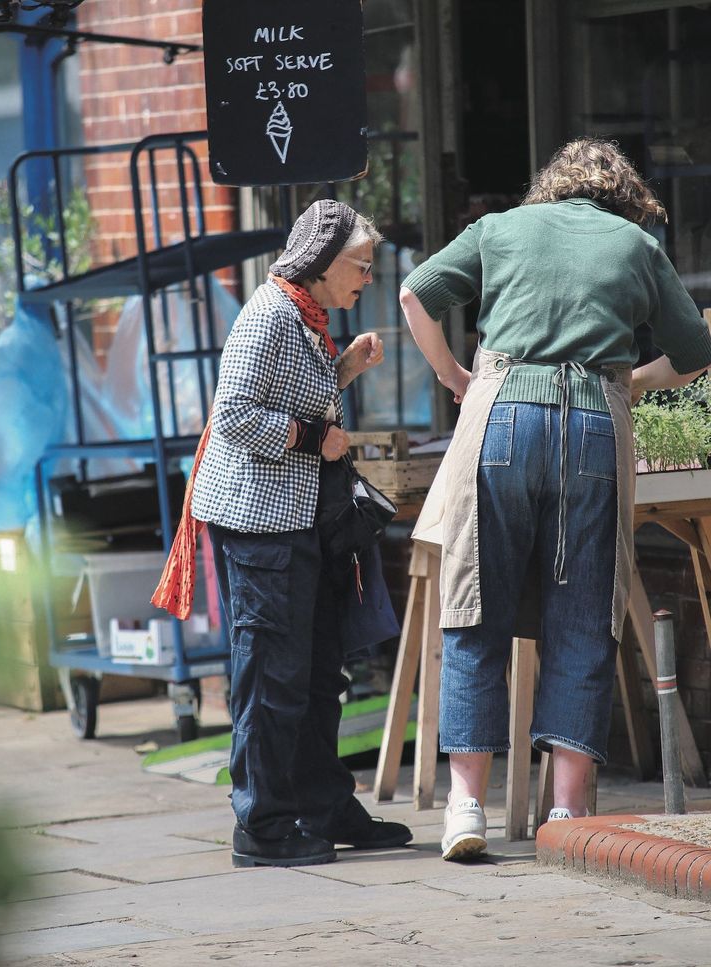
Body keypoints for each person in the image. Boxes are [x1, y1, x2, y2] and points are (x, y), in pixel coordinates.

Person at [399, 139, 711, 862]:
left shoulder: (502, 228)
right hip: (596, 427)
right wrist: (633, 380)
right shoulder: (635, 244)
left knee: (474, 608)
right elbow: (695, 348)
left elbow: (415, 292)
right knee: (583, 615)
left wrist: (454, 375)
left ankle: (465, 806)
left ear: (553, 186)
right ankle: (567, 818)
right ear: (625, 197)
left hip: (502, 414)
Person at [191, 199, 412, 868]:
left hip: (299, 523)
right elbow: (232, 413)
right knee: (271, 676)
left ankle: (320, 803)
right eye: (362, 266)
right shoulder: (268, 314)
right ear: (321, 263)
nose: (367, 278)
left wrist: (343, 368)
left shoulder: (306, 317)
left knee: (318, 674)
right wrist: (315, 438)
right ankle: (261, 824)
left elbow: (286, 395)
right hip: (262, 526)